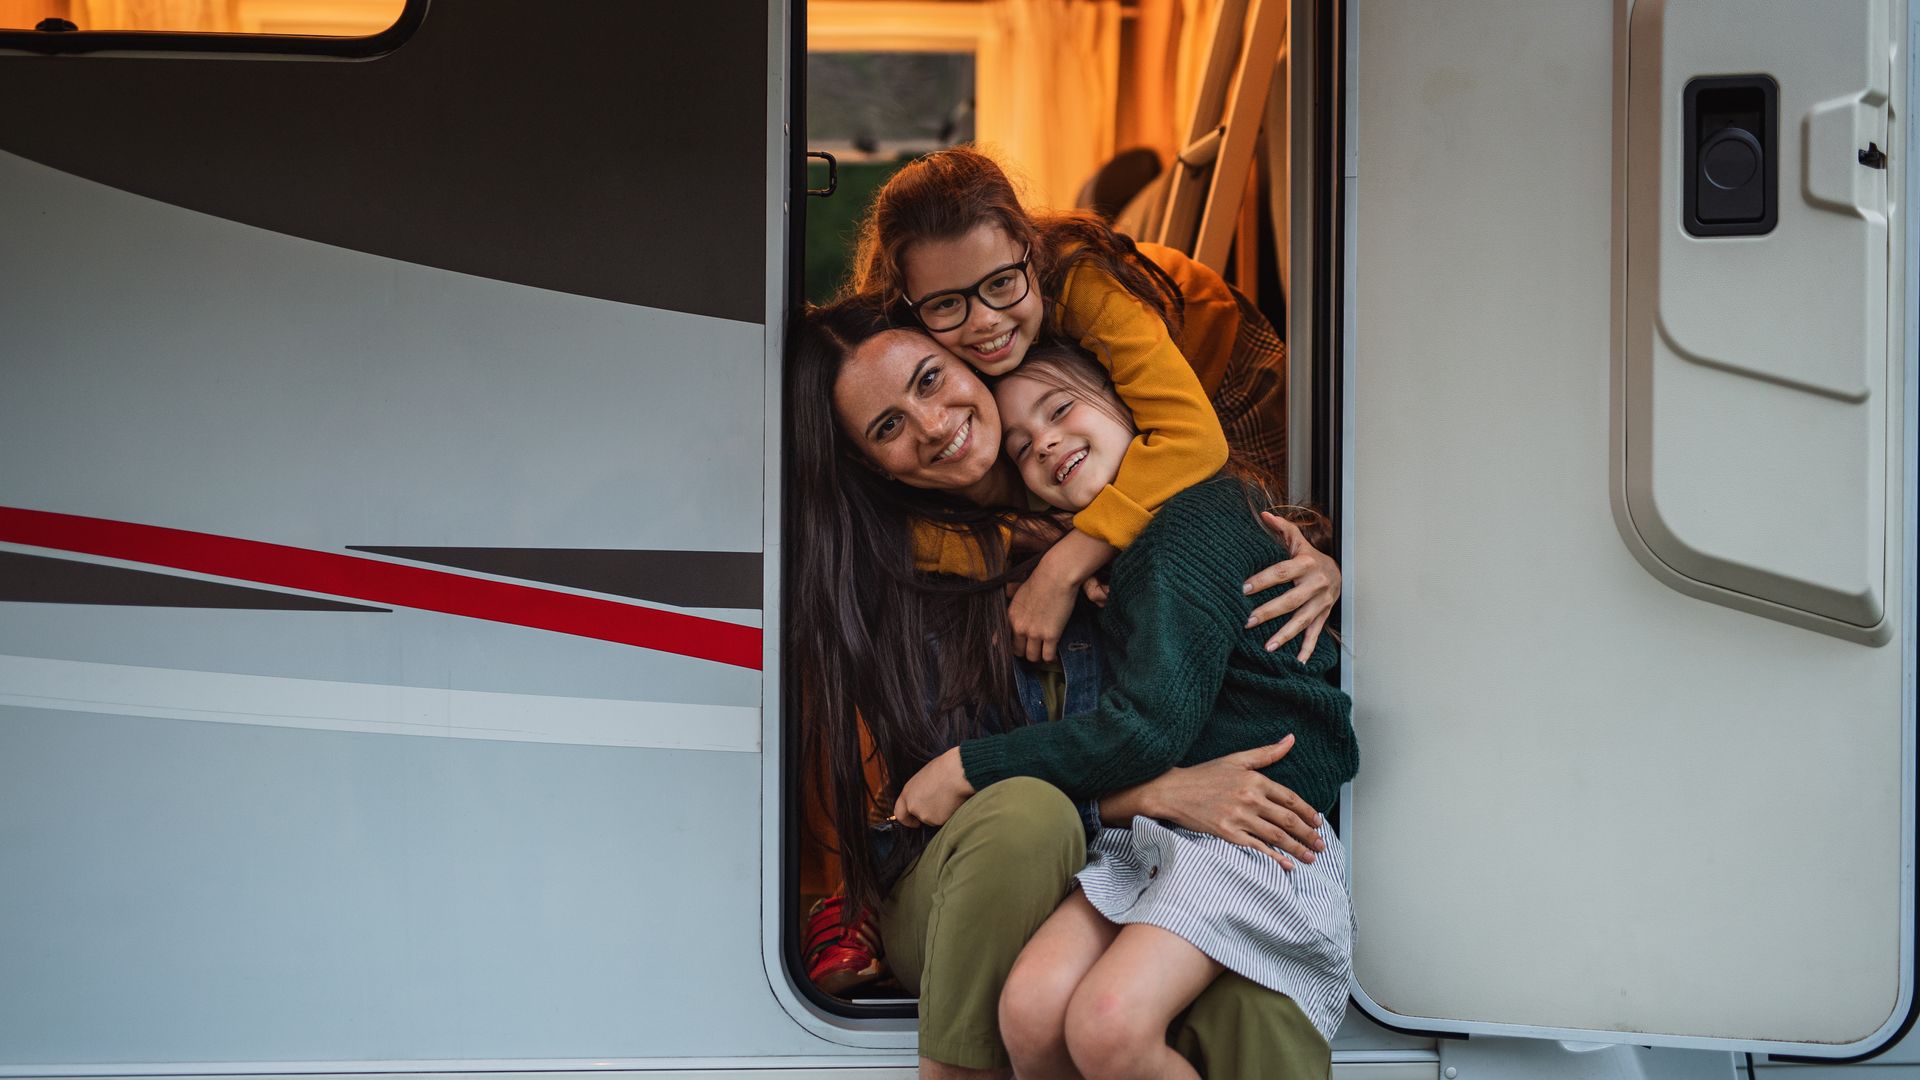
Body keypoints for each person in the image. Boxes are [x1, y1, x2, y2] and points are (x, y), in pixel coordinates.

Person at [788, 298, 1342, 1079]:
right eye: (886, 428)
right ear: (866, 463)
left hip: (1148, 853)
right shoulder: (892, 572)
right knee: (1025, 816)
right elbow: (931, 809)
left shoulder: (1097, 510)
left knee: (1238, 1007)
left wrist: (1318, 564)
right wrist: (1155, 793)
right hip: (982, 875)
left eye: (931, 379)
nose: (932, 423)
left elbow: (1216, 547)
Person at [849, 145, 1306, 667]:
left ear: (1029, 249)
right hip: (1073, 416)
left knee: (1250, 535)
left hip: (1215, 366)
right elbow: (892, 530)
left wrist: (1065, 562)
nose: (984, 322)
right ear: (907, 301)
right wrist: (1021, 537)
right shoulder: (900, 351)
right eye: (947, 303)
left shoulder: (1080, 283)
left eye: (1001, 283)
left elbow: (1194, 441)